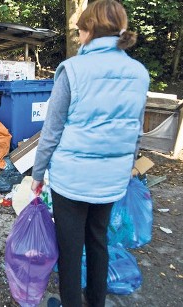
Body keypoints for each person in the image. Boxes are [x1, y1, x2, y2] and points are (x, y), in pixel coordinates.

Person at [30, 0, 150, 306]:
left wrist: (38, 174)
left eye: (80, 30)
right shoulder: (139, 73)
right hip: (111, 180)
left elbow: (52, 131)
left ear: (90, 30)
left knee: (70, 250)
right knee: (99, 242)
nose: (79, 36)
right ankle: (96, 302)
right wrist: (126, 170)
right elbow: (135, 131)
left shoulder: (72, 69)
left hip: (72, 179)